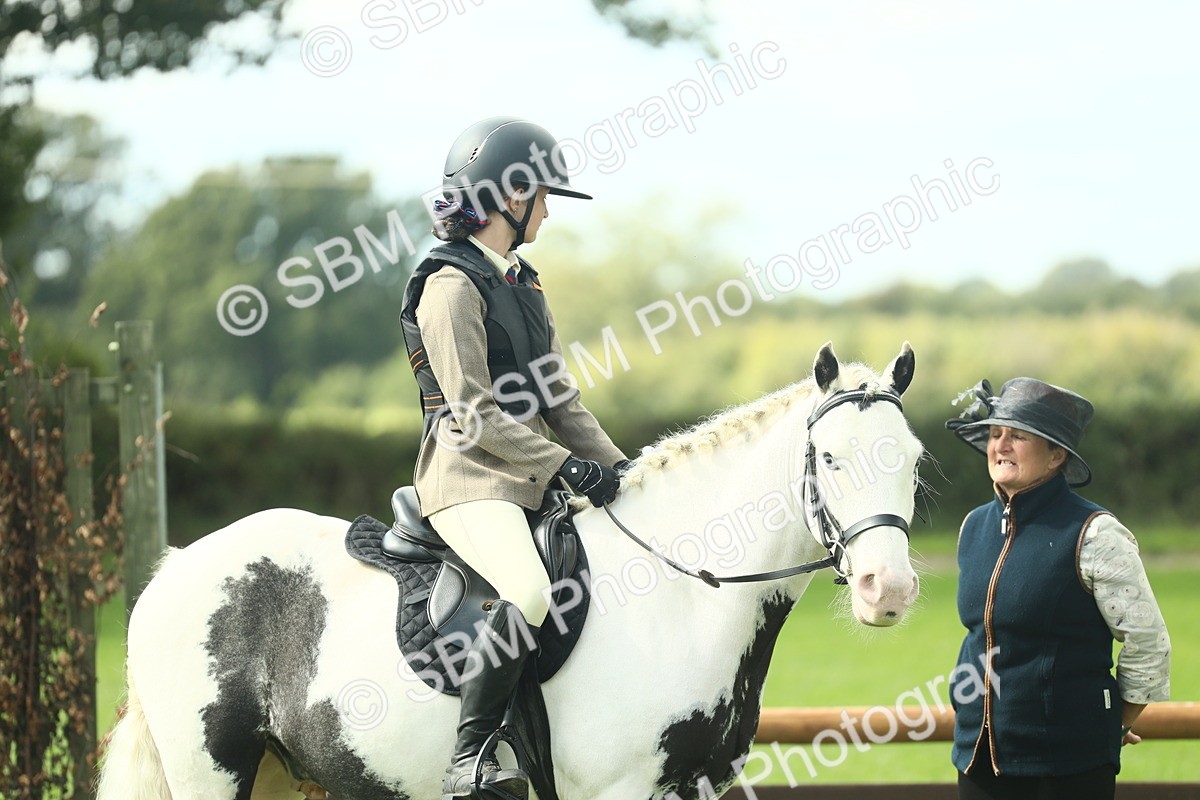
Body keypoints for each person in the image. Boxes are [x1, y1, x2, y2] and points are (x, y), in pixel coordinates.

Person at [399, 117, 628, 800]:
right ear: (512, 195)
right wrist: (563, 467)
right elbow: (472, 411)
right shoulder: (449, 287)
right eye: (545, 197)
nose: (549, 212)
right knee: (527, 591)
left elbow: (561, 402)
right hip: (467, 479)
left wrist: (628, 470)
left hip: (528, 476)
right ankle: (469, 759)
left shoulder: (523, 283)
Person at [945, 378, 1171, 800]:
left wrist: (1114, 722)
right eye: (995, 434)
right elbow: (978, 636)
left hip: (1069, 765)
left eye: (1018, 436)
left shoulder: (1096, 533)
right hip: (976, 758)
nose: (1001, 445)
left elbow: (1149, 644)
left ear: (1056, 456)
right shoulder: (972, 526)